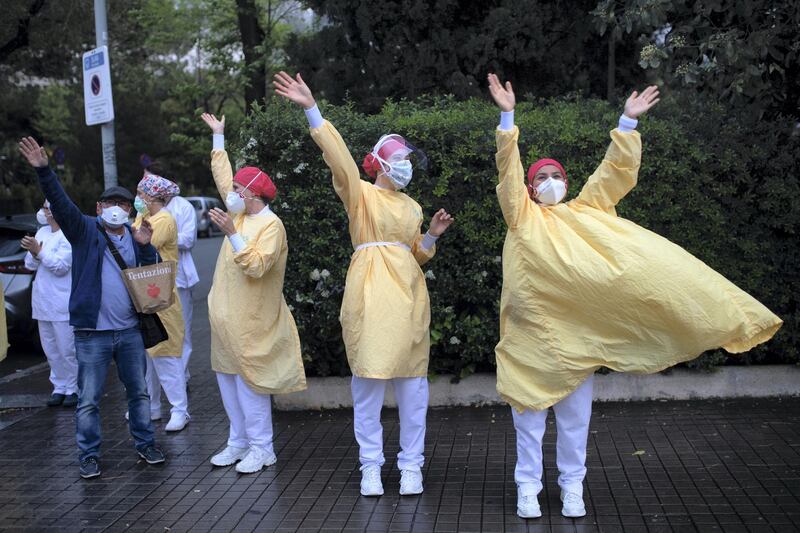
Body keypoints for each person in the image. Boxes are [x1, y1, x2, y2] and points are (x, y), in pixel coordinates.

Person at [486, 74, 783, 519]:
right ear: (529, 189)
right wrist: (507, 119)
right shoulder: (521, 217)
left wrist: (627, 123)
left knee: (574, 424)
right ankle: (527, 488)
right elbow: (508, 173)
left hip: (578, 340)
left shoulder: (585, 211)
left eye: (556, 175)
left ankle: (572, 489)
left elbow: (612, 176)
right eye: (541, 177)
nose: (550, 181)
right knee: (528, 423)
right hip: (530, 341)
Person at [274, 71, 454, 497]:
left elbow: (414, 252)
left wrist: (430, 236)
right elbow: (339, 161)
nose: (407, 164)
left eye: (408, 158)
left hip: (408, 298)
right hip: (371, 296)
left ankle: (412, 466)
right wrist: (312, 110)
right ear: (380, 162)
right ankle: (370, 466)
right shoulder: (361, 196)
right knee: (368, 384)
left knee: (414, 389)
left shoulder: (411, 205)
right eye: (400, 157)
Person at [18, 136, 166, 480]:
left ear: (130, 210)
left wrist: (146, 248)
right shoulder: (85, 230)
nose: (118, 208)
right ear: (99, 208)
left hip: (129, 331)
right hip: (92, 335)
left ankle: (145, 444)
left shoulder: (135, 236)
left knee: (139, 394)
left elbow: (150, 280)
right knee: (88, 400)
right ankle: (88, 455)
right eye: (111, 203)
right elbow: (61, 203)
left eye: (124, 204)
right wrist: (44, 171)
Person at [200, 112, 307, 474]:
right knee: (228, 379)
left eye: (238, 191)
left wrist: (232, 232)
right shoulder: (244, 215)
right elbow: (224, 176)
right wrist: (218, 138)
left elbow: (257, 265)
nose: (232, 194)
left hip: (253, 321)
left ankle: (263, 448)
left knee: (251, 383)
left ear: (254, 195)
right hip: (225, 318)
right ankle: (238, 442)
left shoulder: (271, 225)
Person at [133, 175, 189, 431]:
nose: (137, 198)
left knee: (166, 355)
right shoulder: (144, 219)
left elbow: (140, 243)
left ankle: (180, 410)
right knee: (149, 358)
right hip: (146, 293)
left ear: (151, 197)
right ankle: (152, 406)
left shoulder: (164, 220)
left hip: (162, 296)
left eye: (140, 193)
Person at [145, 162, 199, 385]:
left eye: (148, 182)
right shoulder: (145, 211)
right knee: (156, 329)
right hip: (153, 278)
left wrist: (164, 237)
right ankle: (160, 378)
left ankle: (180, 376)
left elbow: (189, 239)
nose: (143, 188)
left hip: (179, 277)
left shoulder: (183, 207)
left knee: (181, 329)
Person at [22, 200, 78, 407]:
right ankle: (59, 386)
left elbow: (61, 267)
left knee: (67, 349)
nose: (43, 212)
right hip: (42, 302)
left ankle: (74, 387)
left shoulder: (68, 235)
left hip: (61, 302)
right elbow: (29, 264)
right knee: (51, 350)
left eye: (46, 209)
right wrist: (35, 251)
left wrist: (40, 252)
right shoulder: (42, 233)